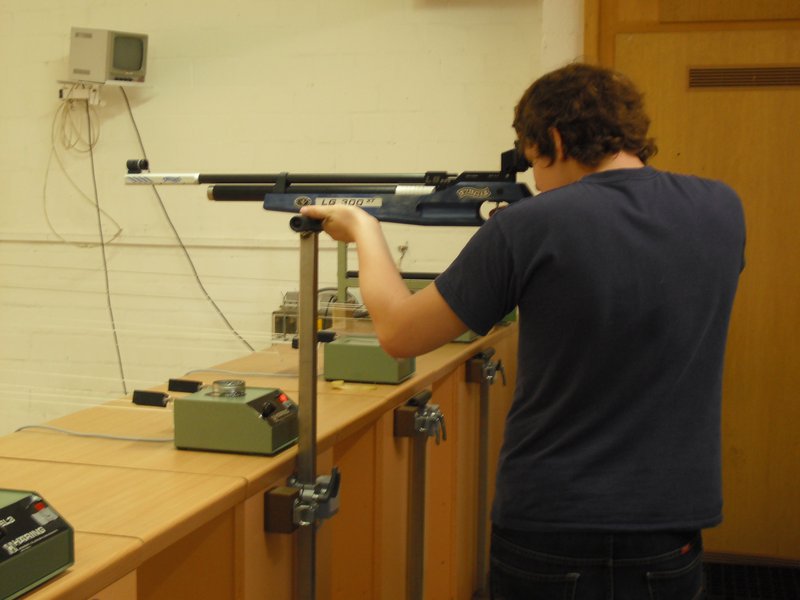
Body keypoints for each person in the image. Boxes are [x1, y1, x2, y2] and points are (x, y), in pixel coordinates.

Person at [301, 62, 745, 600]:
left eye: (534, 162)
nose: (537, 181)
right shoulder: (722, 208)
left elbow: (399, 333)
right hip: (671, 523)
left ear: (554, 139)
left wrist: (364, 230)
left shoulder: (529, 225)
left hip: (552, 522)